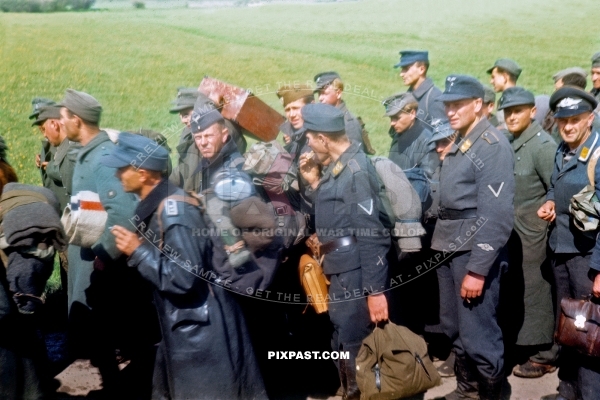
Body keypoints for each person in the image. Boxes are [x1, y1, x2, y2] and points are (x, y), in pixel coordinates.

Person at [105, 133, 266, 400]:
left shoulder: (173, 213)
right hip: (191, 326)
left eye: (122, 169)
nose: (117, 175)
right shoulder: (164, 203)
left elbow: (183, 277)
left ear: (143, 174)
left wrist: (138, 251)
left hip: (202, 334)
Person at [59, 89, 158, 397]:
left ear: (77, 120)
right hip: (89, 256)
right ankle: (118, 385)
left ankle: (123, 388)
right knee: (102, 332)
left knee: (106, 330)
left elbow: (124, 212)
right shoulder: (89, 152)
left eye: (63, 119)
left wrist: (105, 253)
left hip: (99, 261)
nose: (60, 124)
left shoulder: (101, 158)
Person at [299, 103, 390, 400]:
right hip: (340, 267)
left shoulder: (355, 171)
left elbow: (373, 234)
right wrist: (314, 182)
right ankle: (351, 392)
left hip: (355, 272)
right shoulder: (338, 169)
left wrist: (375, 291)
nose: (309, 145)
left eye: (311, 138)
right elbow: (336, 212)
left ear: (324, 139)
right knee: (342, 337)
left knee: (354, 342)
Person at [432, 75, 515, 400]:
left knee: (478, 332)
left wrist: (478, 269)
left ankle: (493, 393)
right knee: (454, 326)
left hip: (472, 251)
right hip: (449, 245)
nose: (451, 111)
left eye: (458, 105)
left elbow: (495, 215)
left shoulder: (491, 146)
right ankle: (467, 389)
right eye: (448, 105)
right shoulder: (464, 141)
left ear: (477, 104)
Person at [537, 86, 600, 400]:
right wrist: (550, 203)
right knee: (569, 328)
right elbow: (555, 186)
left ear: (590, 118)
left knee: (590, 331)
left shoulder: (598, 154)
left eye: (576, 119)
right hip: (562, 253)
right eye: (563, 120)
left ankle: (590, 393)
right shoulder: (562, 150)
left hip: (588, 259)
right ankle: (568, 389)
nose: (569, 126)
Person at [495, 87, 558, 378]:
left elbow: (555, 187)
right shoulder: (510, 141)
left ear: (533, 112)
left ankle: (544, 353)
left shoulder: (542, 146)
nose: (511, 116)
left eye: (517, 111)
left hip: (533, 233)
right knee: (515, 290)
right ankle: (523, 345)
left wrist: (547, 208)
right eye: (507, 111)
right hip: (512, 231)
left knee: (536, 292)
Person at [313, 71, 375, 154]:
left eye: (324, 93)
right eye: (319, 94)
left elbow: (355, 159)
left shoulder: (348, 124)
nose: (320, 98)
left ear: (338, 93)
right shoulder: (327, 118)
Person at [384, 92, 438, 180]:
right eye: (391, 118)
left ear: (412, 114)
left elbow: (427, 182)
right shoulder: (397, 134)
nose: (392, 123)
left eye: (397, 118)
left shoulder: (428, 143)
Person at [393, 50, 446, 124]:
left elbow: (444, 133)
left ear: (421, 69)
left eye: (406, 69)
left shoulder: (434, 98)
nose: (401, 74)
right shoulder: (408, 95)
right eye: (402, 69)